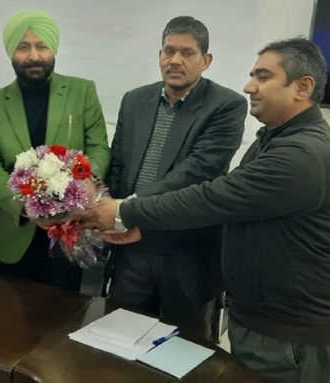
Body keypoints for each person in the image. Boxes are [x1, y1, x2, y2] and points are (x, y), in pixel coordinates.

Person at [84, 38, 330, 383]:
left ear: (302, 87)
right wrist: (143, 226)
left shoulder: (301, 154)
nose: (248, 86)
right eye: (252, 75)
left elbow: (211, 197)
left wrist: (124, 211)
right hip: (265, 322)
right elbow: (229, 208)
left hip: (289, 335)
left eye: (263, 77)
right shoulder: (275, 138)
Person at [102, 16, 246, 341]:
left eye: (187, 53)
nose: (175, 60)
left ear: (205, 61)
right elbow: (119, 166)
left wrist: (128, 208)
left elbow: (197, 171)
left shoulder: (226, 106)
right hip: (131, 253)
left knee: (185, 353)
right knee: (118, 341)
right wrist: (105, 214)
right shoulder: (134, 100)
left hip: (187, 258)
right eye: (169, 51)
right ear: (159, 55)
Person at [0, 11, 110, 292]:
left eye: (41, 46)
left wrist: (80, 186)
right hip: (12, 238)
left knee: (60, 327)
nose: (34, 55)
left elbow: (98, 148)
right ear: (11, 52)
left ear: (53, 49)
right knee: (5, 327)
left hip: (70, 234)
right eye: (23, 47)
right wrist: (27, 204)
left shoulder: (82, 91)